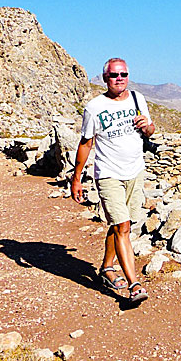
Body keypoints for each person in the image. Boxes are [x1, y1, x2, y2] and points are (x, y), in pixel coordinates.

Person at [71, 57, 155, 303]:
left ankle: (107, 268)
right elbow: (86, 143)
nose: (119, 79)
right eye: (113, 75)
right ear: (105, 78)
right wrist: (77, 178)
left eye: (123, 74)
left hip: (135, 171)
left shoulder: (138, 99)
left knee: (121, 224)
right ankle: (135, 284)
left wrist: (147, 126)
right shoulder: (95, 107)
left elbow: (150, 131)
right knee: (123, 227)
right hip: (108, 173)